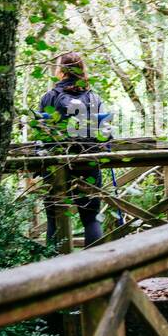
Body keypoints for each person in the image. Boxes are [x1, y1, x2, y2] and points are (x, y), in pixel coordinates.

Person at [36, 51, 111, 248]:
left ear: (60, 71)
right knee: (91, 218)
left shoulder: (49, 97)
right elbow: (105, 132)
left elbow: (41, 134)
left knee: (54, 217)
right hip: (88, 161)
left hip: (55, 164)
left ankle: (53, 272)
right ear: (82, 70)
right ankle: (94, 270)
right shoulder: (94, 98)